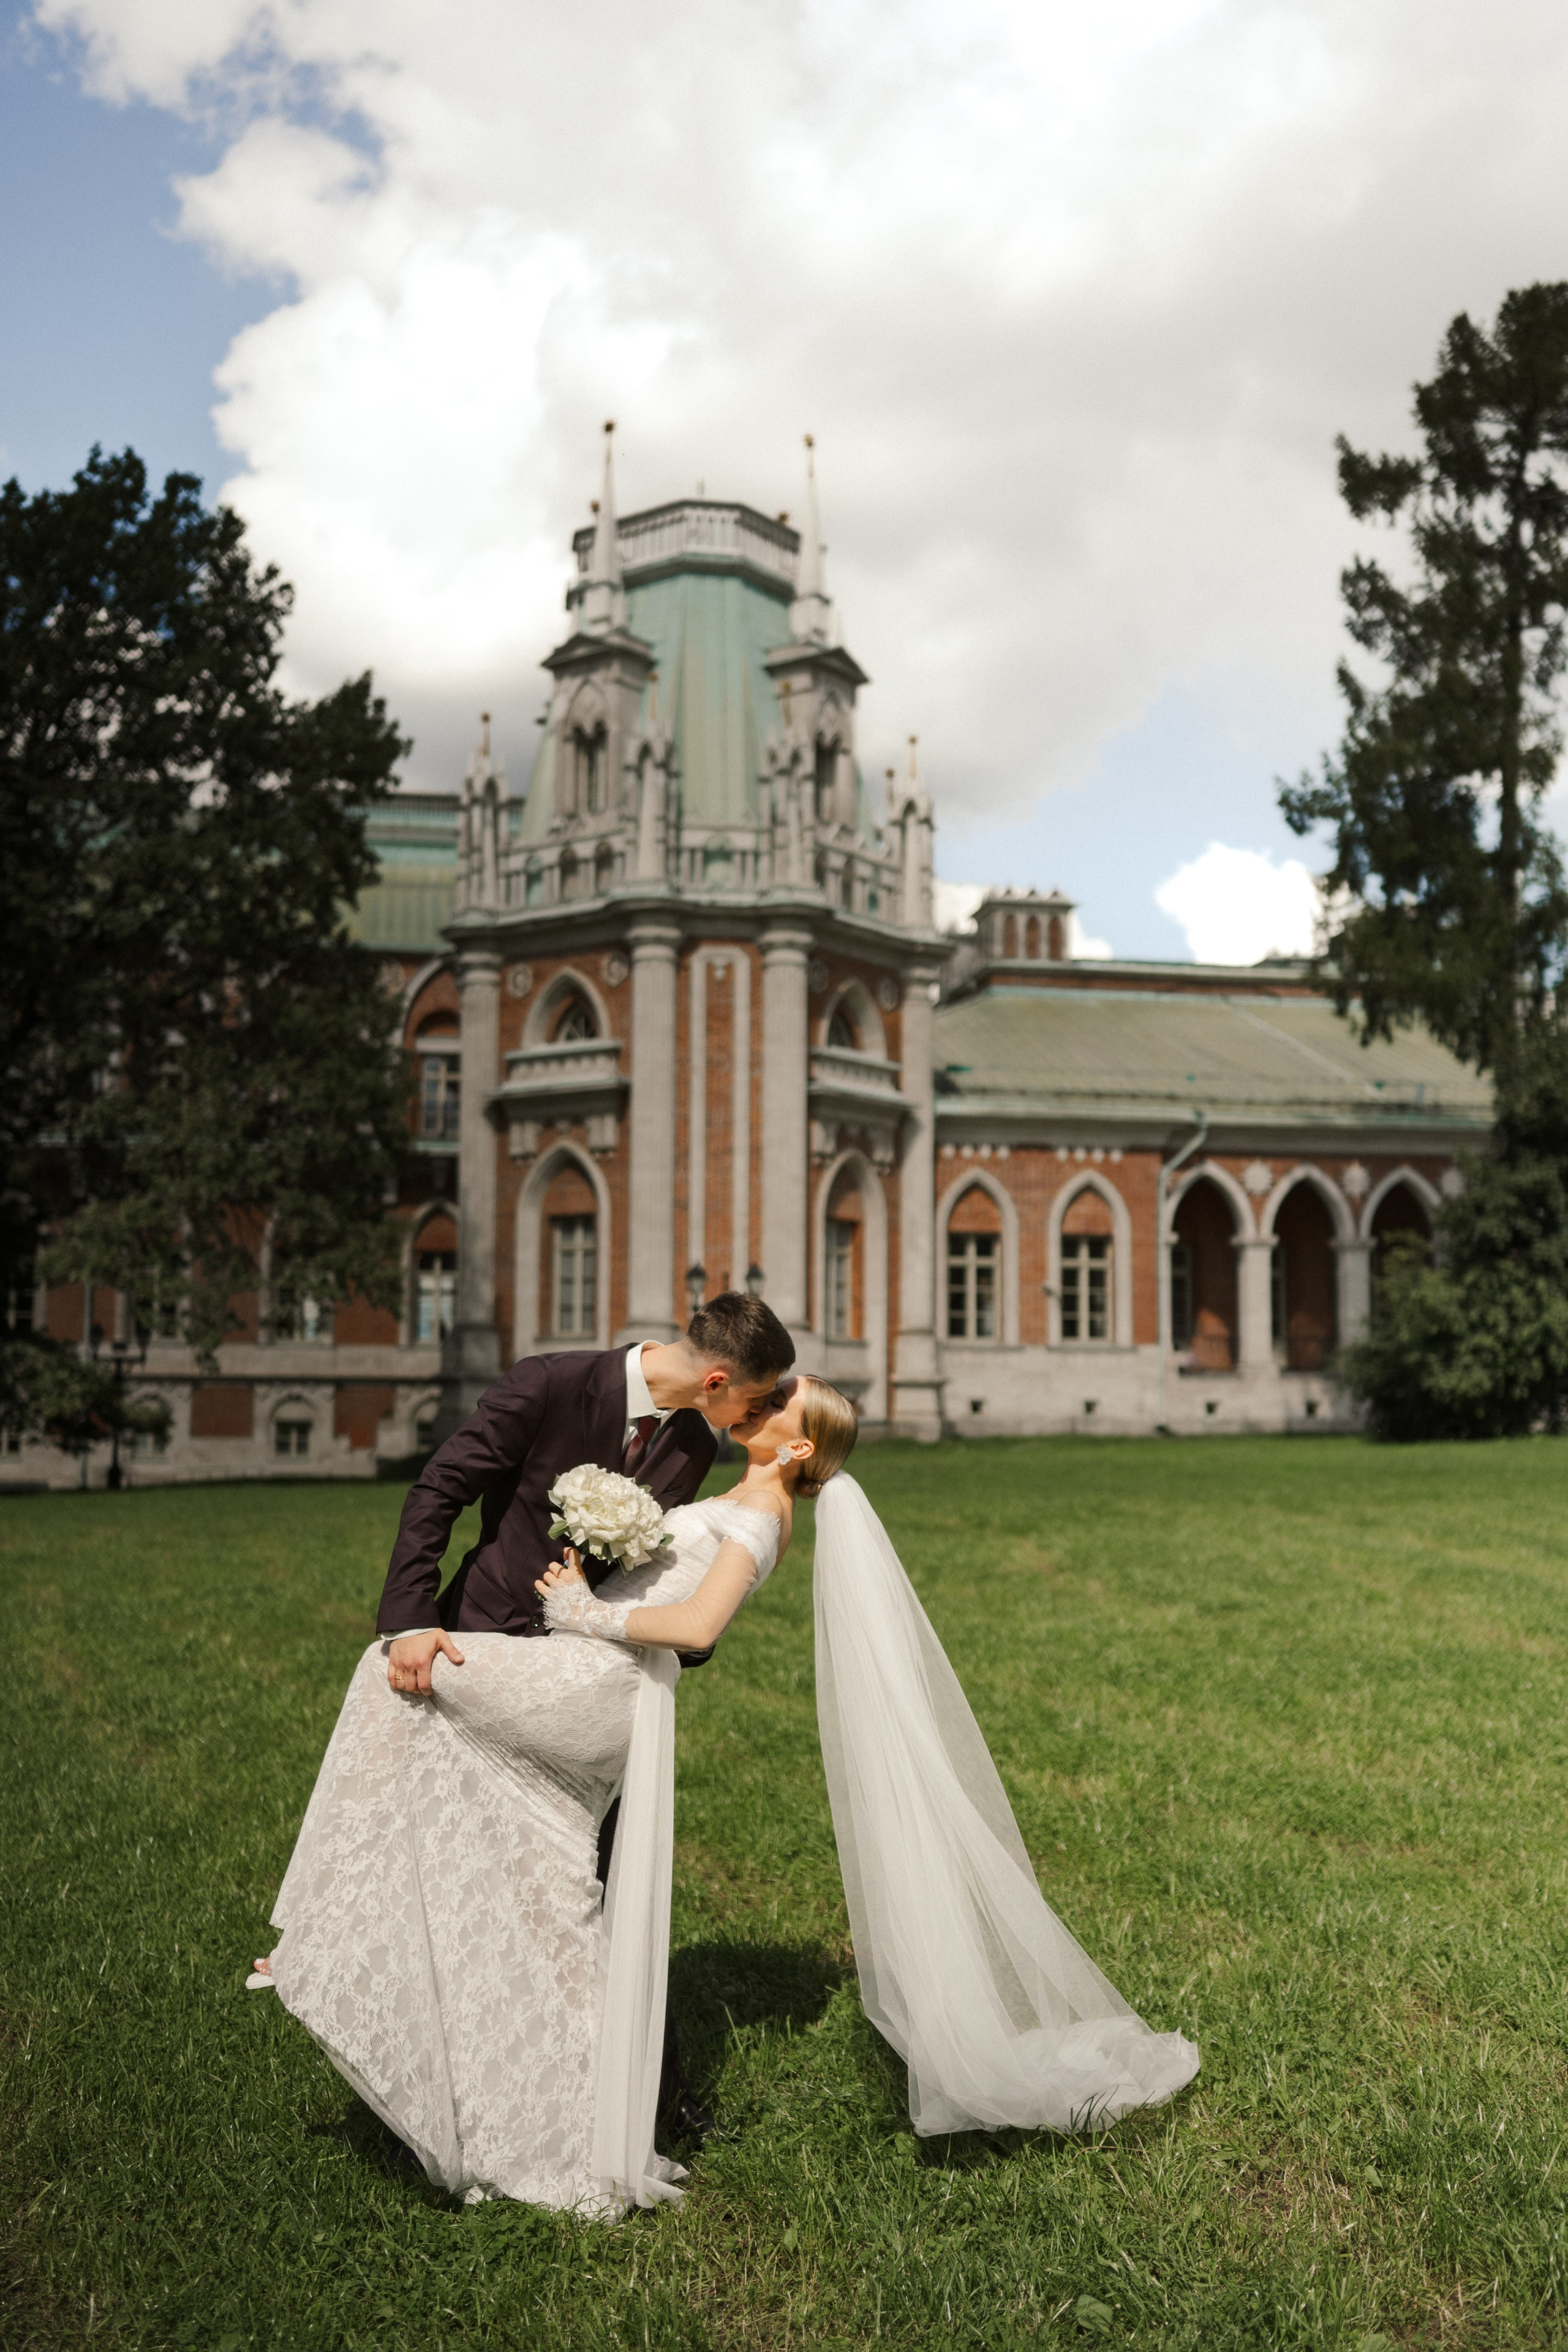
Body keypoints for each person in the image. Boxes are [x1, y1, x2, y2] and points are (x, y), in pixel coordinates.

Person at [252, 1371, 1197, 2215]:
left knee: (395, 1667)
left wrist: (585, 1611)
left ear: (795, 1446)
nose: (764, 1398)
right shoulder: (740, 1493)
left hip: (601, 1688)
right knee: (554, 1898)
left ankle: (326, 1919)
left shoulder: (758, 1517)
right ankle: (565, 2119)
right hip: (601, 1687)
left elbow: (699, 1623)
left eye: (782, 1402)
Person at [249, 1291, 794, 2145]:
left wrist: (674, 1641)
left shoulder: (690, 1441)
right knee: (464, 1869)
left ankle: (653, 2104)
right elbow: (441, 1489)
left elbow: (650, 1576)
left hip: (588, 1684)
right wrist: (409, 1617)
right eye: (753, 1402)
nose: (755, 1417)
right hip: (482, 1649)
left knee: (605, 1880)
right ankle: (396, 2028)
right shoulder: (549, 1385)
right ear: (717, 1379)